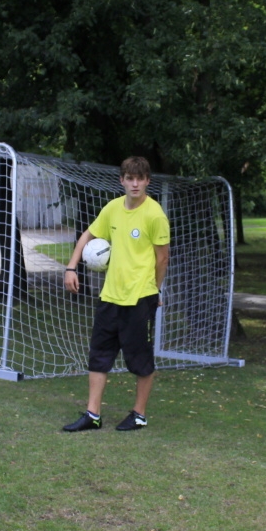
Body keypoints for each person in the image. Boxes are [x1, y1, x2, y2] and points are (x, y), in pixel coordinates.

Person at [62, 156, 170, 432]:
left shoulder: (155, 215)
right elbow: (88, 234)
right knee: (99, 355)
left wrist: (154, 291)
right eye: (130, 178)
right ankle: (92, 415)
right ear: (122, 180)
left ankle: (139, 414)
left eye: (140, 178)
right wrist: (71, 267)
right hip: (110, 296)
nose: (135, 184)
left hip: (139, 298)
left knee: (140, 359)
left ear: (147, 181)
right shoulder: (112, 208)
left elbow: (162, 259)